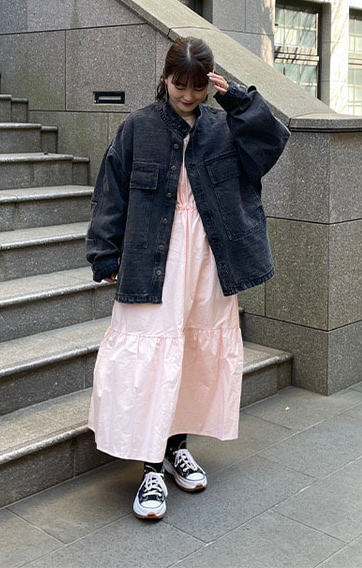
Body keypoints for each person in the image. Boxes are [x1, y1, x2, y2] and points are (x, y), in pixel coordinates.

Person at [86, 36, 290, 520]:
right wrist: (104, 252)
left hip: (209, 258)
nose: (189, 96)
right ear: (166, 78)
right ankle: (150, 468)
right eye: (181, 85)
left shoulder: (224, 125)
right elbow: (111, 192)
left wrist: (238, 99)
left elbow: (271, 143)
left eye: (198, 87)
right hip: (151, 257)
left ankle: (177, 447)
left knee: (194, 357)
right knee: (151, 358)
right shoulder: (138, 126)